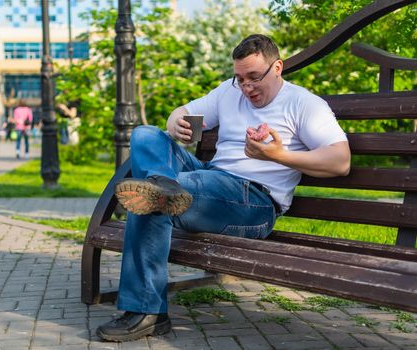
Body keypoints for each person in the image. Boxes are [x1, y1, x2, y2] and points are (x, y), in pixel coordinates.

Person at [96, 34, 351, 342]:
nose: (247, 88)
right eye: (240, 78)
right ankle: (162, 189)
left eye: (255, 78)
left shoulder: (304, 104)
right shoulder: (229, 92)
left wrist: (278, 155)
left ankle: (146, 310)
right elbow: (185, 111)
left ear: (278, 68)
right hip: (209, 181)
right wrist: (175, 118)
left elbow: (340, 161)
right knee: (146, 135)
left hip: (253, 202)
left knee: (153, 196)